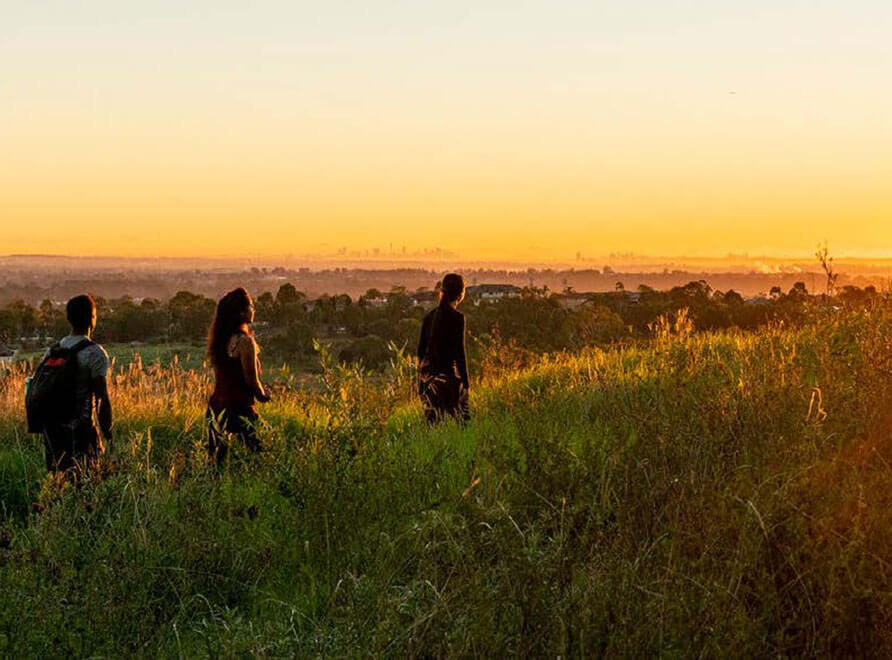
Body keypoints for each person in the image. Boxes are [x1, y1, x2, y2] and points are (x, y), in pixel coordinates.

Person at [40, 295, 113, 472]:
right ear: (92, 319)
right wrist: (108, 434)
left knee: (59, 486)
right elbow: (101, 398)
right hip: (82, 432)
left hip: (54, 434)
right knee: (88, 485)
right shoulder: (96, 354)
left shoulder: (54, 351)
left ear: (69, 319)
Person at [206, 288, 270, 463]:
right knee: (259, 457)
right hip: (240, 408)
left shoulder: (220, 339)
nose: (253, 310)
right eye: (251, 306)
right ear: (242, 312)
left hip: (217, 407)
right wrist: (264, 395)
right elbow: (251, 381)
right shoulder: (245, 342)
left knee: (216, 463)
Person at [417, 273, 470, 423]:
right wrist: (466, 385)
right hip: (448, 380)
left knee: (433, 428)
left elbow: (420, 353)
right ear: (461, 294)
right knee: (464, 425)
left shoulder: (429, 317)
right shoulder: (457, 318)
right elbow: (459, 353)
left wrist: (420, 385)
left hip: (428, 381)